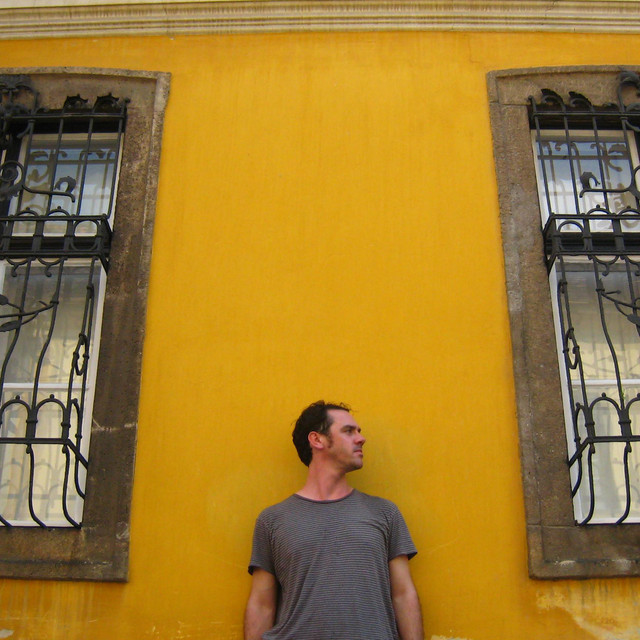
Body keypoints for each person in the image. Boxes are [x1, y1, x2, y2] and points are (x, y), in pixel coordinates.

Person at [244, 400, 424, 640]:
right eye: (349, 431)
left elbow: (403, 595)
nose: (361, 439)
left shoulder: (384, 513)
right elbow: (262, 604)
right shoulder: (273, 520)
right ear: (317, 439)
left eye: (359, 431)